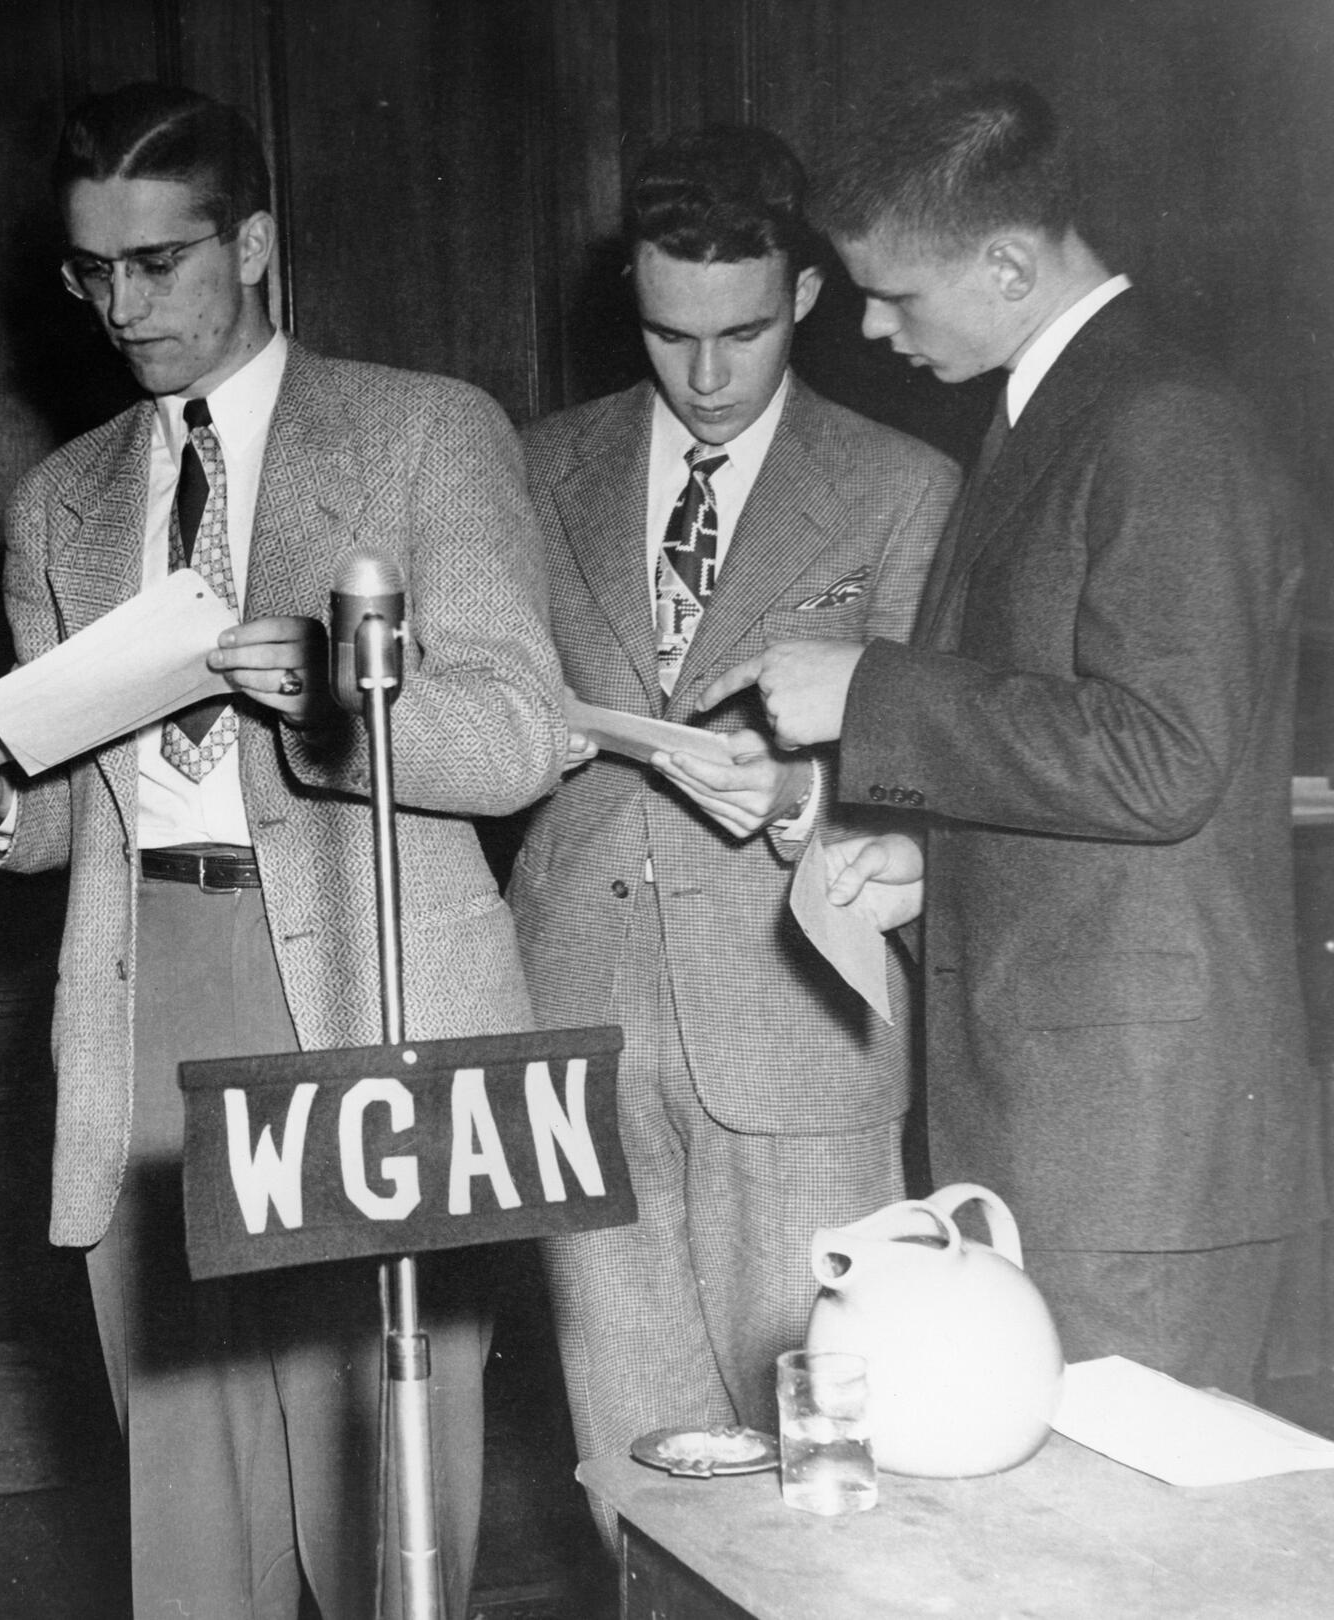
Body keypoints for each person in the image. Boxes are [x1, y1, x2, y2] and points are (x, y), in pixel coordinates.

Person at [0, 82, 563, 1620]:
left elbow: (522, 732)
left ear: (253, 243)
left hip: (367, 982)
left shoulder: (420, 431)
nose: (122, 309)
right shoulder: (61, 505)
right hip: (145, 993)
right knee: (188, 1502)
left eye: (160, 264)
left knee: (380, 1476)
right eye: (91, 273)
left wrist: (348, 699)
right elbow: (82, 805)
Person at [700, 77, 1319, 1397]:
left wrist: (871, 694)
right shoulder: (1056, 408)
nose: (868, 326)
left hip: (1140, 1158)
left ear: (1007, 262)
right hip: (1063, 1133)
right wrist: (943, 871)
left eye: (897, 296)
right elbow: (1106, 775)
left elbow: (1164, 757)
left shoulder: (1163, 423)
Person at [507, 125, 954, 1498]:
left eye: (743, 335)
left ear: (806, 299)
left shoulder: (902, 488)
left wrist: (800, 794)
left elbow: (947, 767)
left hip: (798, 1009)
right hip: (577, 1007)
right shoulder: (533, 464)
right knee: (629, 1457)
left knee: (820, 1449)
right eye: (667, 333)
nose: (703, 378)